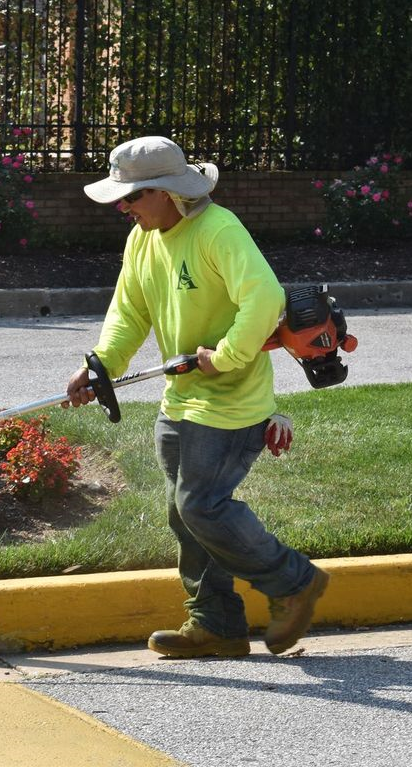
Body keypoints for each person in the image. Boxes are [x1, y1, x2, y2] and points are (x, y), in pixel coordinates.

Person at [65, 135, 329, 657]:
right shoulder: (143, 239)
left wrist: (226, 356)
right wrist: (100, 367)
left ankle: (293, 582)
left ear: (167, 192)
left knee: (201, 505)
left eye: (134, 196)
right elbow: (129, 312)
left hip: (231, 401)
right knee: (182, 514)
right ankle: (217, 626)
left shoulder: (217, 230)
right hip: (180, 398)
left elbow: (264, 298)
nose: (124, 206)